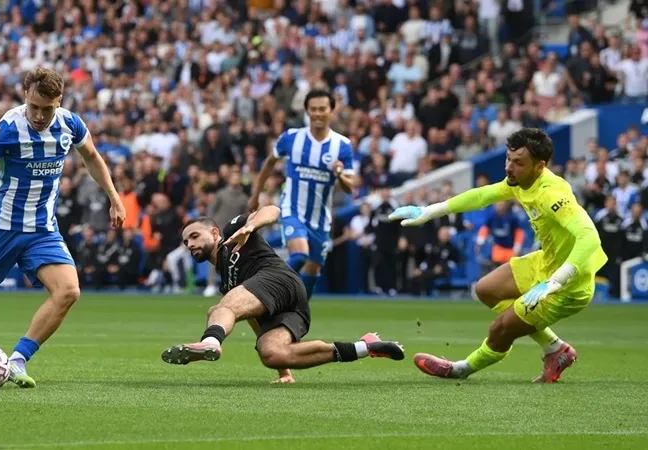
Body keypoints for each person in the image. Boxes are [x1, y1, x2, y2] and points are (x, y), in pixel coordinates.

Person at [0, 67, 127, 388]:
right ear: (25, 96)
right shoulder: (7, 129)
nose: (40, 116)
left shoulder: (70, 124)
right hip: (2, 229)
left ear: (59, 101)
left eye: (48, 108)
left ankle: (17, 359)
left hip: (43, 229)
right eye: (34, 107)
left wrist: (114, 197)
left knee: (68, 291)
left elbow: (93, 158)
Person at [390, 128, 607, 383]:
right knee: (486, 289)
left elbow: (590, 237)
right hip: (545, 262)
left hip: (569, 284)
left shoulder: (551, 194)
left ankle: (460, 369)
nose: (509, 167)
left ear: (540, 166)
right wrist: (430, 211)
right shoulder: (520, 181)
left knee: (500, 329)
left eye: (518, 163)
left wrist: (556, 281)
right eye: (508, 159)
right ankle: (555, 349)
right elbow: (483, 195)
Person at [161, 205, 404, 383]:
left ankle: (210, 343)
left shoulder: (234, 232)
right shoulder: (228, 282)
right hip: (292, 308)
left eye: (194, 236)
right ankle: (365, 347)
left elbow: (273, 210)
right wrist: (283, 371)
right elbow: (254, 319)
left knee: (218, 309)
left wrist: (250, 226)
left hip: (278, 278)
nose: (190, 244)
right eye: (185, 242)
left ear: (214, 233)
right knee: (272, 353)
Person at [248, 89, 357, 299]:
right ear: (307, 111)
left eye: (322, 109)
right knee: (299, 255)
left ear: (331, 111)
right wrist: (255, 194)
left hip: (320, 219)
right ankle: (264, 293)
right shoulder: (292, 138)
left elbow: (350, 187)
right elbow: (269, 162)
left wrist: (340, 174)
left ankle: (295, 313)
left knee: (313, 269)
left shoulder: (342, 145)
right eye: (313, 109)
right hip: (292, 209)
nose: (317, 113)